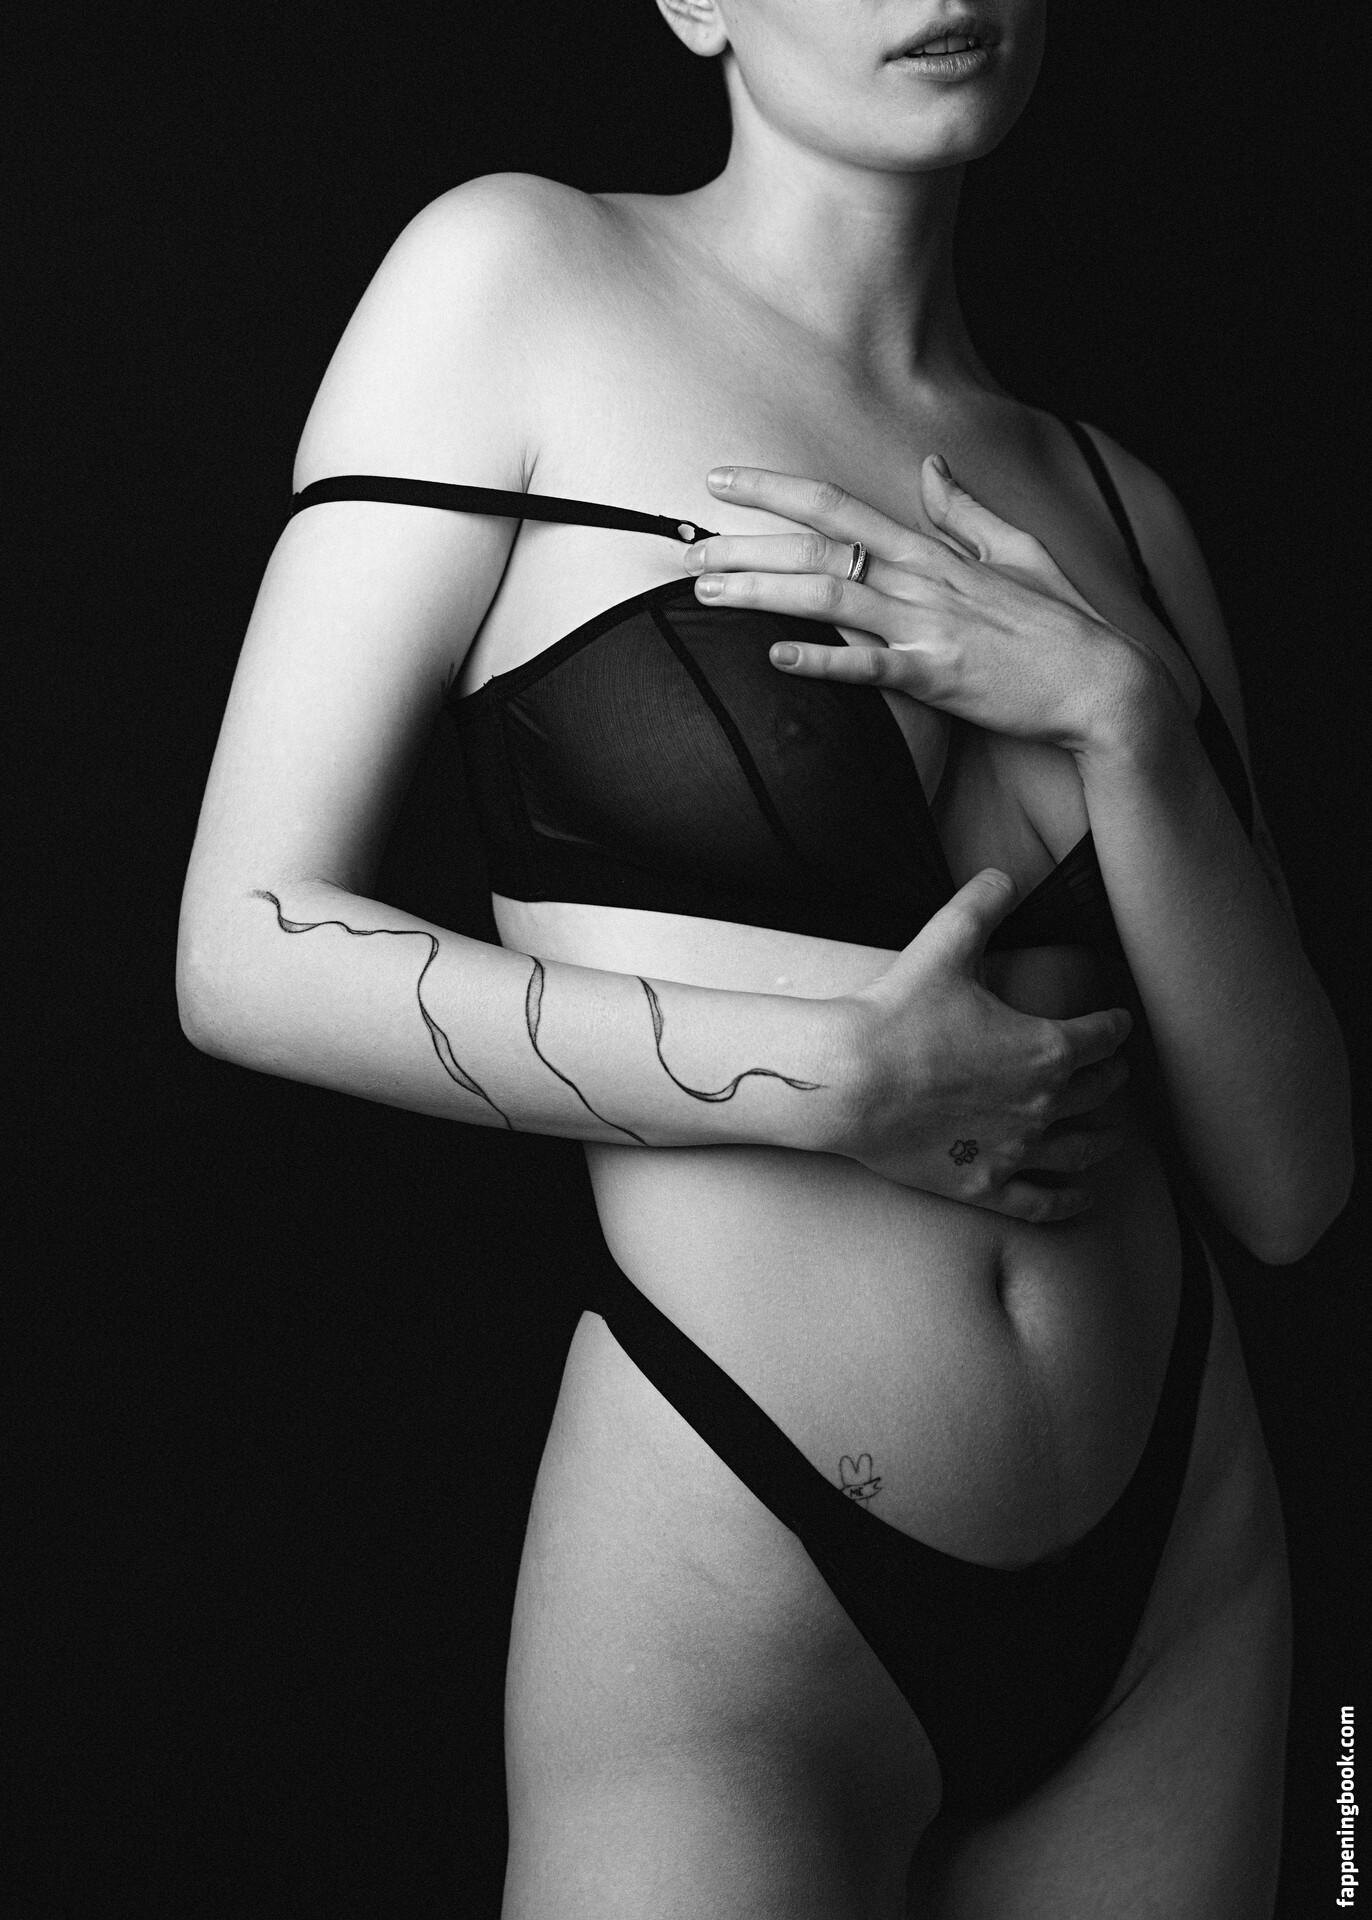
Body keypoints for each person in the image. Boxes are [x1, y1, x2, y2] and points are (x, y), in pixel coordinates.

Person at [177, 1, 1353, 1912]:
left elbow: (1294, 1186)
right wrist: (829, 1081)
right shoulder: (521, 280)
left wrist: (1125, 716)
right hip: (742, 1545)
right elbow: (244, 947)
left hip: (1181, 1577)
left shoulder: (1119, 506)